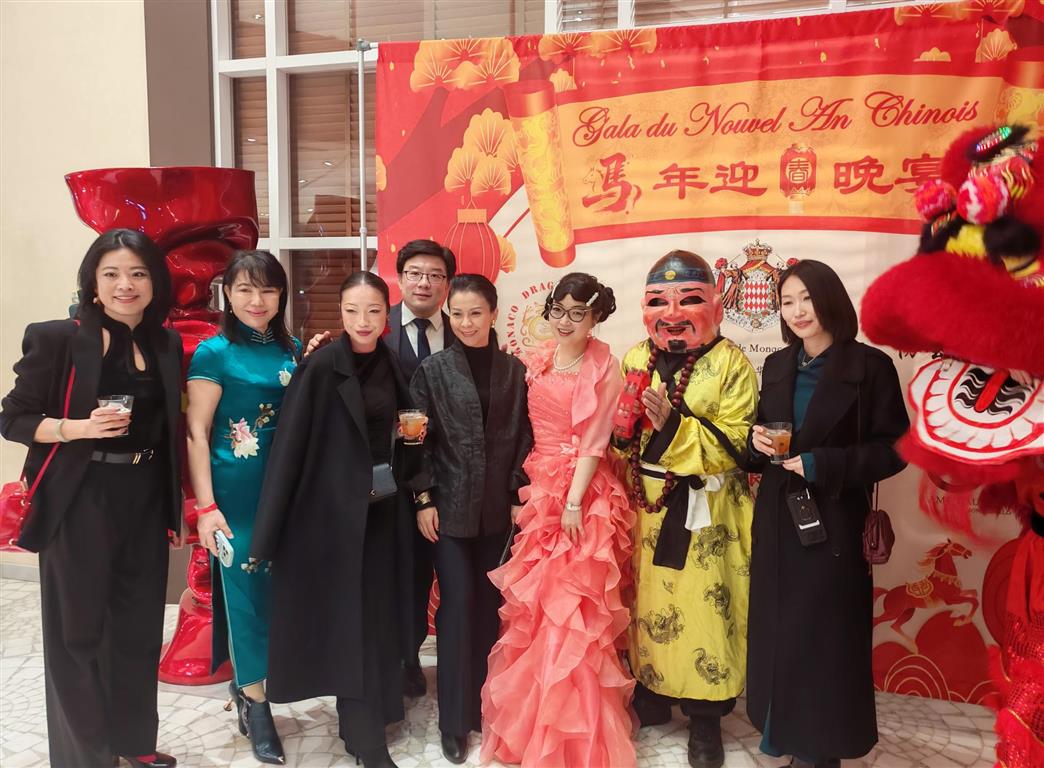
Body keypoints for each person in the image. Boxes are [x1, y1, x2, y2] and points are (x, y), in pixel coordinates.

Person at [0, 228, 183, 768]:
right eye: (112, 274)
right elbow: (12, 419)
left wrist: (175, 508)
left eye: (138, 273)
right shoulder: (58, 338)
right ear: (93, 283)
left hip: (144, 497)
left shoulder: (166, 343)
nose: (126, 284)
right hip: (82, 498)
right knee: (77, 634)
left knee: (138, 628)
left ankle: (133, 744)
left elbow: (168, 433)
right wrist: (76, 428)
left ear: (155, 282)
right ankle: (87, 758)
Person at [250, 271, 423, 768]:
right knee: (353, 625)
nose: (363, 321)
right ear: (340, 313)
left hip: (384, 512)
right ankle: (367, 742)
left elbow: (407, 432)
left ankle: (369, 719)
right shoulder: (322, 366)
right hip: (333, 519)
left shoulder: (393, 364)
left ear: (387, 314)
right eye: (352, 311)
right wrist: (269, 531)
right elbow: (290, 447)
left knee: (379, 618)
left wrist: (411, 443)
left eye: (373, 311)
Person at [746, 259, 908, 768]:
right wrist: (755, 442)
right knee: (782, 636)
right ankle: (785, 738)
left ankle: (822, 751)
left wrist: (824, 463)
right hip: (779, 519)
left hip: (833, 524)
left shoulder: (870, 367)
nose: (798, 311)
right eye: (787, 301)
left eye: (807, 298)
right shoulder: (778, 365)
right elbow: (762, 436)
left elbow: (895, 450)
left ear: (831, 299)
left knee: (825, 642)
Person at [480, 273, 637, 767]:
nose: (565, 321)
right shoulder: (539, 358)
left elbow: (596, 441)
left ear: (595, 317)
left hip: (581, 495)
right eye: (558, 311)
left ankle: (576, 734)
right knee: (537, 607)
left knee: (574, 609)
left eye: (577, 313)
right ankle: (532, 723)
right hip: (539, 486)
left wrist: (572, 501)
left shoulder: (604, 365)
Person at [614, 250, 758, 768]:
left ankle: (705, 720)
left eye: (688, 300)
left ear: (716, 307)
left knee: (704, 612)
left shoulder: (732, 363)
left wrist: (672, 425)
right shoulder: (635, 357)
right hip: (647, 505)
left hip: (708, 509)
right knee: (648, 606)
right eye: (658, 302)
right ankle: (654, 694)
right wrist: (622, 429)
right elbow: (621, 441)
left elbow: (741, 443)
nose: (672, 314)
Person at [305, 239, 457, 698]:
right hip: (387, 479)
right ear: (400, 279)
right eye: (414, 273)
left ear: (447, 284)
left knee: (437, 574)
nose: (424, 282)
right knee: (396, 575)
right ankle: (399, 660)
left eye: (435, 275)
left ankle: (435, 661)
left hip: (449, 476)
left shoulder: (464, 329)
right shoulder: (369, 329)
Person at [409, 274, 532, 764]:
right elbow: (415, 440)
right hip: (450, 511)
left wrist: (518, 491)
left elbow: (525, 435)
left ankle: (486, 707)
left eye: (475, 313)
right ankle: (454, 722)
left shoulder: (514, 371)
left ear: (493, 313)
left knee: (489, 608)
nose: (465, 322)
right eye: (457, 314)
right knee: (457, 608)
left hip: (499, 513)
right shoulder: (432, 371)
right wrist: (423, 499)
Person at [186, 250, 300, 765]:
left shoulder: (290, 348)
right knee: (246, 593)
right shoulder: (213, 353)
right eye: (246, 289)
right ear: (227, 295)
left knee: (278, 592)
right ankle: (256, 705)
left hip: (286, 492)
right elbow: (196, 432)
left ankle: (252, 683)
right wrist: (206, 507)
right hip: (235, 496)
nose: (257, 300)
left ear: (281, 295)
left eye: (268, 289)